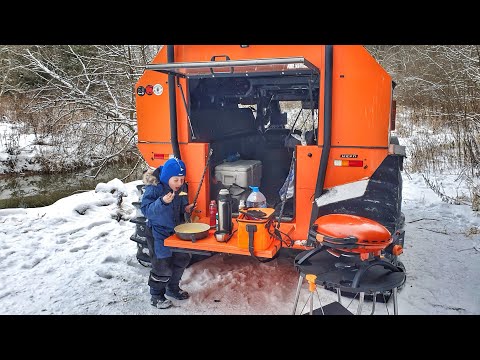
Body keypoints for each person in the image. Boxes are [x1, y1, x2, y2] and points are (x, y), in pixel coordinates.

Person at [141, 157, 194, 309]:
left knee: (182, 259)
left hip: (176, 231)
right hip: (158, 233)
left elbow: (180, 203)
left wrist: (186, 209)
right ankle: (156, 295)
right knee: (162, 265)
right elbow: (146, 210)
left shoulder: (180, 188)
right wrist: (162, 202)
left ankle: (172, 287)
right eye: (176, 180)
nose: (179, 183)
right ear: (166, 177)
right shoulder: (155, 188)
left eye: (182, 179)